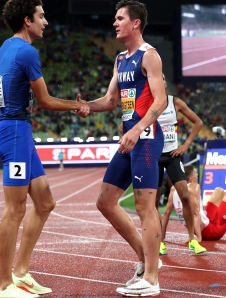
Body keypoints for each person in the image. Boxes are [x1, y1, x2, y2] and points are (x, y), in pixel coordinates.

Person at [0, 1, 89, 296]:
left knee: (45, 203)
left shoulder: (5, 48)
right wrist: (77, 105)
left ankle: (20, 273)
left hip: (17, 132)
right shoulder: (28, 51)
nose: (45, 22)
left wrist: (9, 116)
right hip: (17, 134)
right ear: (27, 19)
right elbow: (45, 101)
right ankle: (5, 285)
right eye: (41, 17)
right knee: (15, 209)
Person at [87, 1, 167, 296]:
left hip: (145, 139)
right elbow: (109, 101)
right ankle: (146, 261)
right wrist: (81, 106)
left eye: (120, 18)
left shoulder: (150, 56)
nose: (114, 23)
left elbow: (160, 101)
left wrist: (136, 129)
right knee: (105, 201)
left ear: (135, 24)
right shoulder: (121, 59)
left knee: (146, 207)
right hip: (129, 140)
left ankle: (152, 279)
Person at [153, 74, 206, 256]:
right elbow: (125, 126)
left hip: (173, 155)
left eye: (163, 79)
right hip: (154, 157)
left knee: (185, 195)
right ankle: (159, 241)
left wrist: (185, 145)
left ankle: (193, 239)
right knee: (154, 201)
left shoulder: (174, 102)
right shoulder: (146, 103)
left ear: (166, 83)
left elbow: (198, 122)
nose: (160, 82)